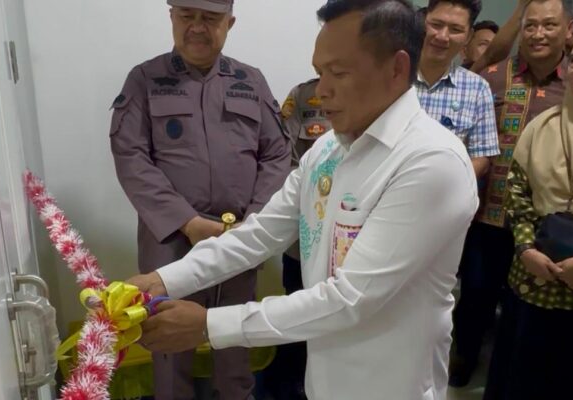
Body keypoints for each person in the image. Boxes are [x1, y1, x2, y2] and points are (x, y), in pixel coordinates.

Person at [129, 1, 479, 398]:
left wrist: (208, 326)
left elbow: (350, 299)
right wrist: (161, 280)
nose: (321, 90)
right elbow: (259, 234)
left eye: (338, 73)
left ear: (397, 68)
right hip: (325, 380)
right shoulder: (329, 149)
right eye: (319, 72)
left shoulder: (431, 162)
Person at [108, 0, 291, 398]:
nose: (196, 27)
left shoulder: (250, 81)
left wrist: (255, 222)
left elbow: (277, 154)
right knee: (169, 343)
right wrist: (188, 223)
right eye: (186, 16)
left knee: (235, 339)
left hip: (237, 236)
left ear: (230, 23)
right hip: (171, 240)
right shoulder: (145, 79)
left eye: (209, 18)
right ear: (171, 17)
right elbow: (131, 156)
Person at [448, 0, 573, 387]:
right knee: (475, 294)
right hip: (486, 215)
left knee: (527, 309)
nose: (538, 34)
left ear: (568, 29)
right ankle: (463, 360)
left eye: (549, 25)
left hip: (545, 223)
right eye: (530, 25)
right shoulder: (492, 77)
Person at [483, 31, 573, 400]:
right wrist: (526, 249)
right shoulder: (540, 126)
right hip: (532, 275)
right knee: (519, 376)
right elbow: (517, 193)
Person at [264, 78, 332, 400]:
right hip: (303, 237)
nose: (326, 86)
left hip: (348, 248)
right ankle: (289, 383)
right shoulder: (302, 96)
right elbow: (282, 158)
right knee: (296, 309)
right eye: (323, 70)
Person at [416, 0, 499, 180]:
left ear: (468, 37)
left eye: (455, 29)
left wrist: (448, 186)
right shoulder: (391, 76)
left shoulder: (478, 89)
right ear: (423, 22)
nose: (442, 36)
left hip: (445, 192)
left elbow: (482, 157)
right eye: (436, 24)